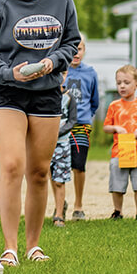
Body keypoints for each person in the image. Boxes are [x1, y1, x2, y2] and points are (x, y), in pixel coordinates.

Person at [0, 0, 80, 266]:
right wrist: (8, 73)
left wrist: (53, 62)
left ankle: (34, 246)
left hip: (47, 91)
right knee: (12, 165)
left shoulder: (61, 1)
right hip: (7, 91)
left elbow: (72, 41)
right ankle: (10, 248)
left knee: (38, 172)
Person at [102, 65, 137, 220]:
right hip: (119, 151)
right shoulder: (114, 106)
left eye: (126, 82)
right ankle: (117, 211)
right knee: (117, 183)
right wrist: (116, 128)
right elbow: (106, 127)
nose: (122, 86)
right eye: (119, 83)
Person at [63, 34, 99, 220]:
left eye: (80, 48)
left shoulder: (90, 72)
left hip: (81, 125)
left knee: (79, 165)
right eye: (73, 49)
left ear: (84, 50)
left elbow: (94, 101)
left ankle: (78, 205)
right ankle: (60, 203)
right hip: (60, 126)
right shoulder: (61, 71)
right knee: (58, 165)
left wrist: (85, 117)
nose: (76, 53)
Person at [49, 80, 77, 227]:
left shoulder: (70, 97)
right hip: (45, 144)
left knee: (60, 180)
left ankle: (59, 216)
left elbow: (72, 121)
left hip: (62, 144)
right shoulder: (44, 95)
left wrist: (56, 133)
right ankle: (55, 207)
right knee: (47, 178)